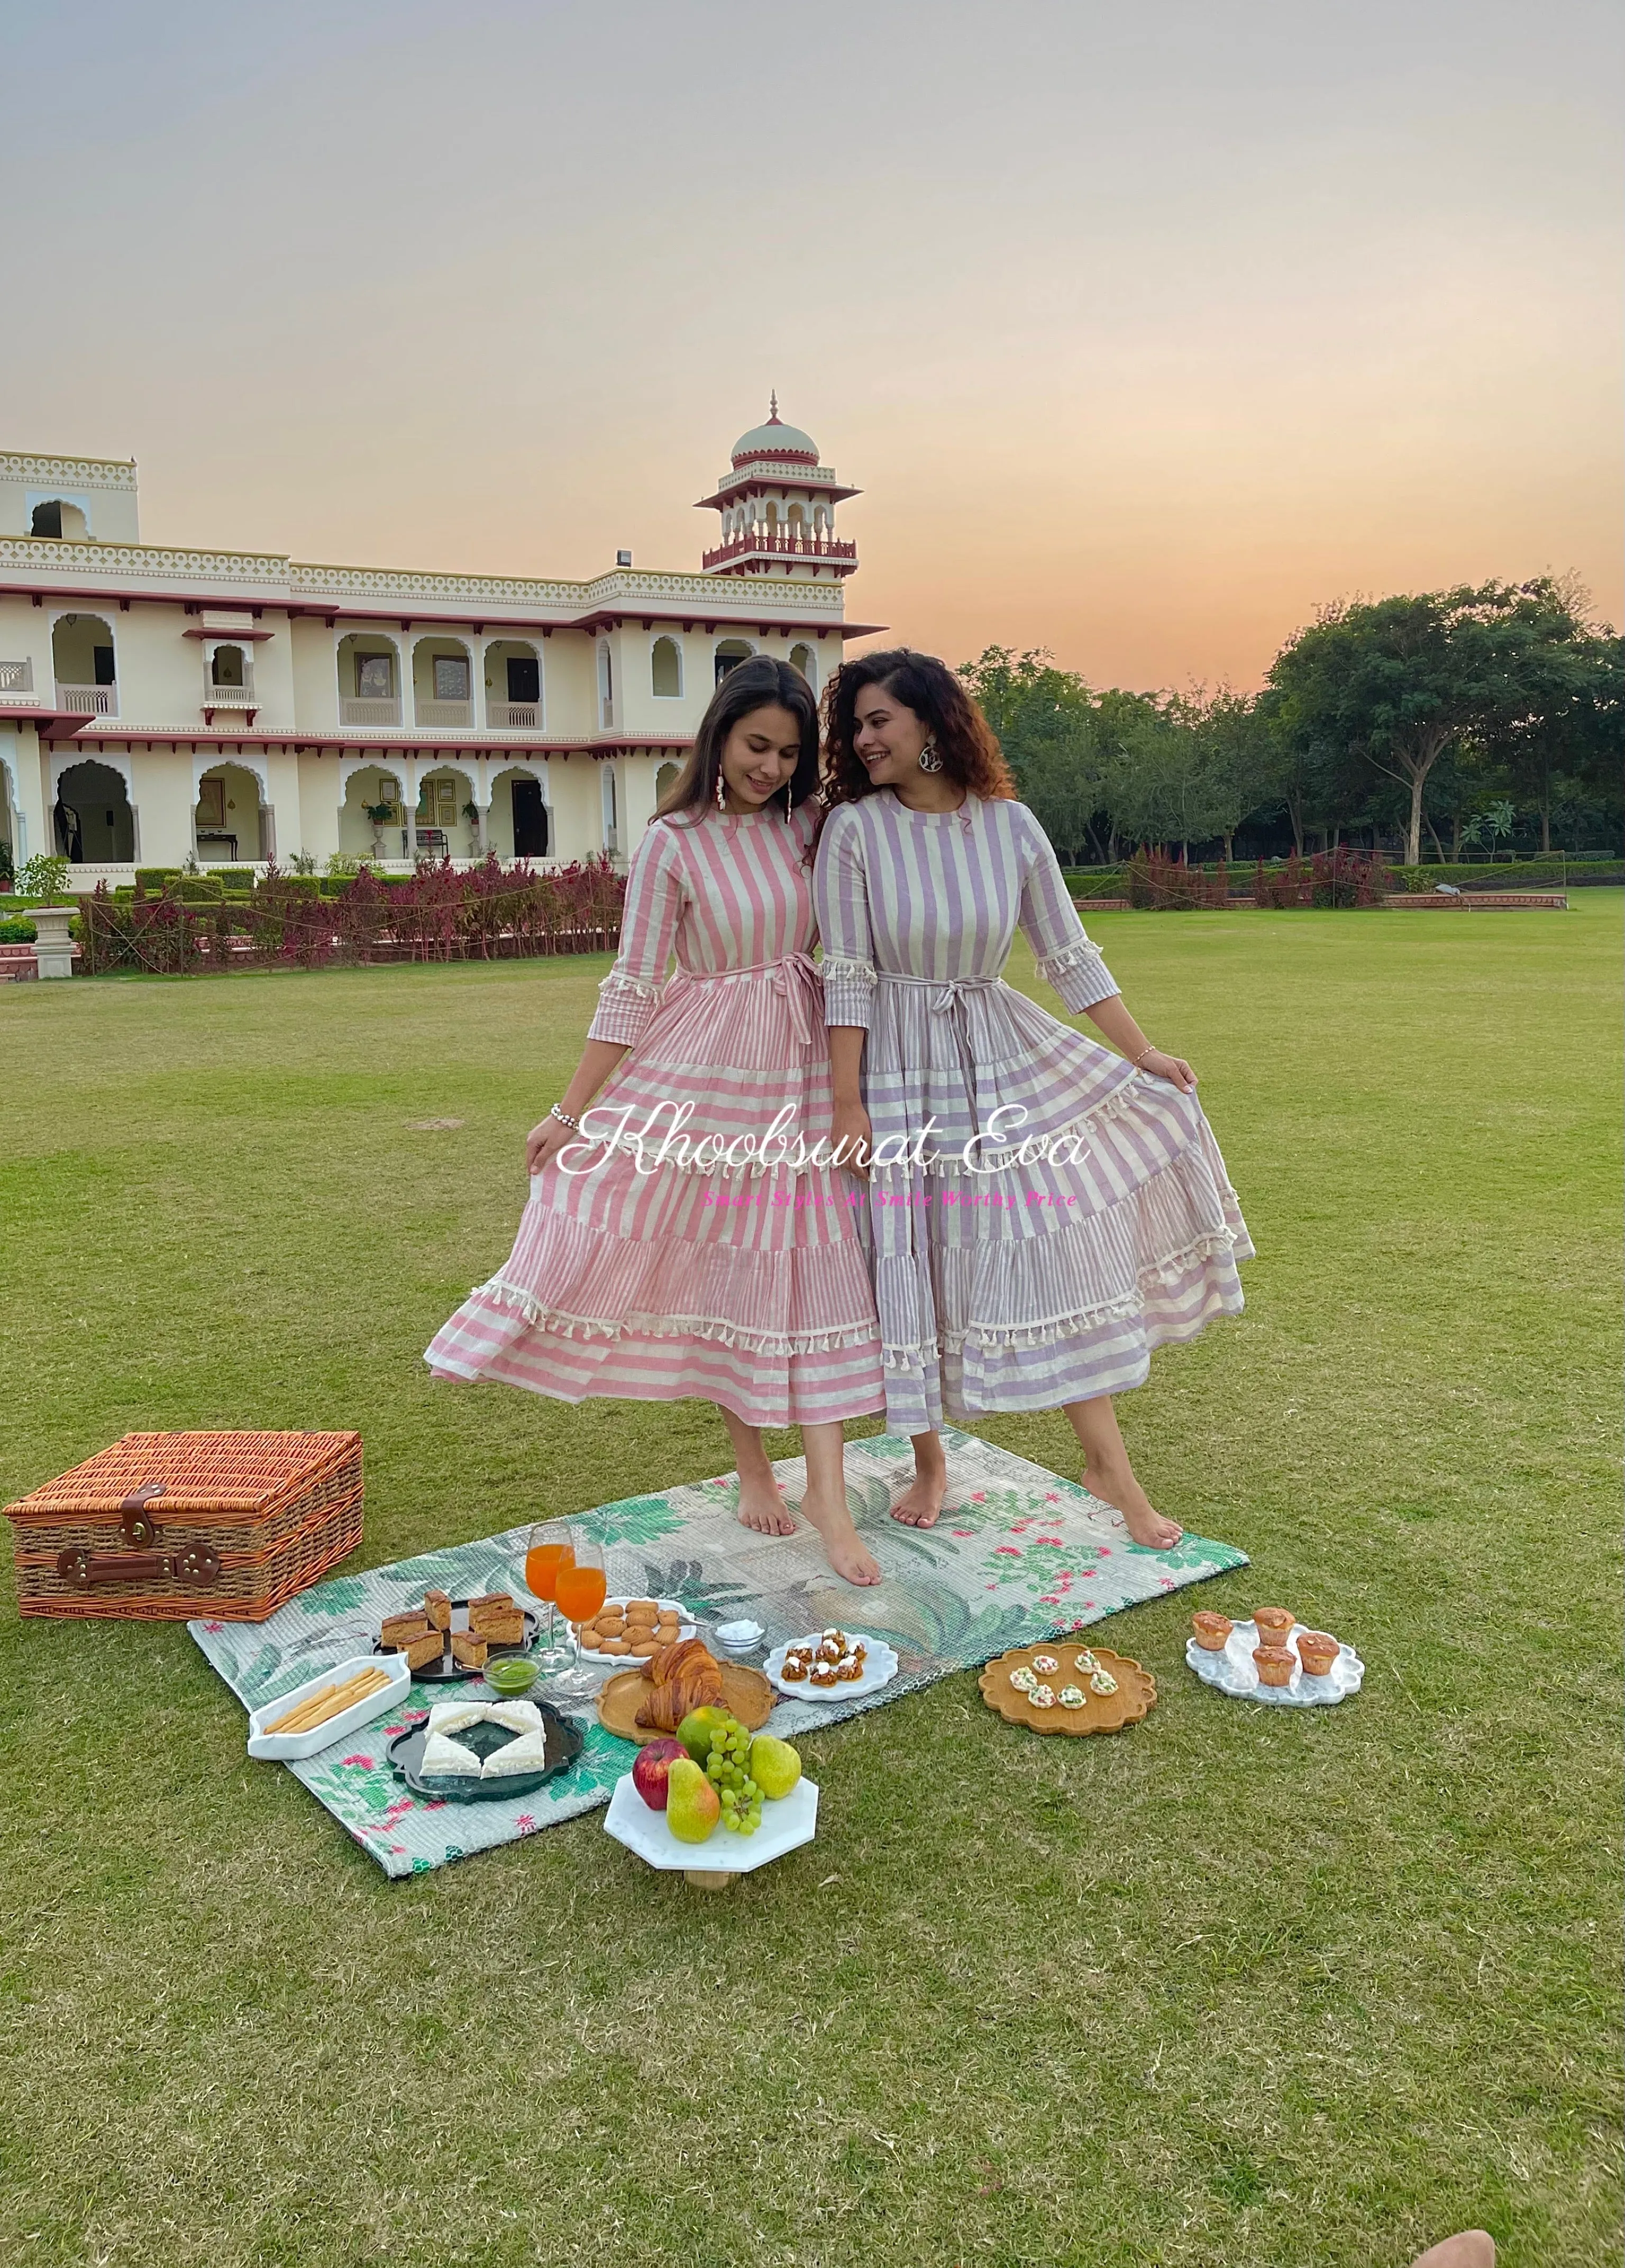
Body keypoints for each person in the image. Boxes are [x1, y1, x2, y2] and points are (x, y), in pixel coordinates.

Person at [426, 656, 887, 1586]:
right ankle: (755, 1462)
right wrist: (569, 1111)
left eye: (788, 752)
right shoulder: (673, 841)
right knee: (723, 1257)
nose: (769, 766)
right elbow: (634, 984)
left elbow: (849, 946)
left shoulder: (813, 828)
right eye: (757, 744)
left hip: (801, 1062)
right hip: (706, 1069)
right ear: (719, 735)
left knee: (814, 1257)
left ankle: (828, 1492)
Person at [812, 648, 1252, 1549]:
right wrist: (848, 1103)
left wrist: (1142, 1051)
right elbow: (847, 974)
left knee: (1047, 1248)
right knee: (913, 1259)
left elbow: (1068, 953)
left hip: (998, 1058)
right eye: (854, 727)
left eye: (879, 721)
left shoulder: (1010, 827)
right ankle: (929, 1458)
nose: (863, 741)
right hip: (898, 1068)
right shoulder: (855, 832)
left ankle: (1108, 1467)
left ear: (932, 722)